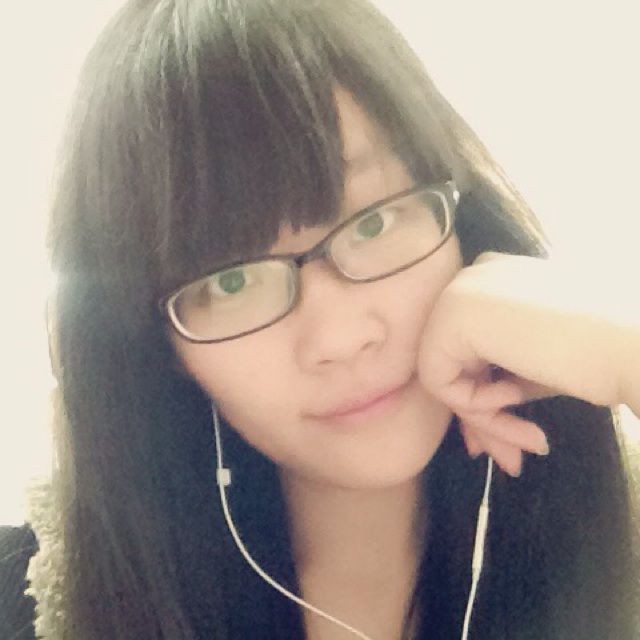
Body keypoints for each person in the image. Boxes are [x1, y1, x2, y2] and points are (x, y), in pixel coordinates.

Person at [1, 0, 639, 638]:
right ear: (162, 346)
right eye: (231, 280)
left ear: (459, 219)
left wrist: (624, 348)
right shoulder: (28, 602)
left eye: (374, 222)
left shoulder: (619, 536)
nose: (341, 338)